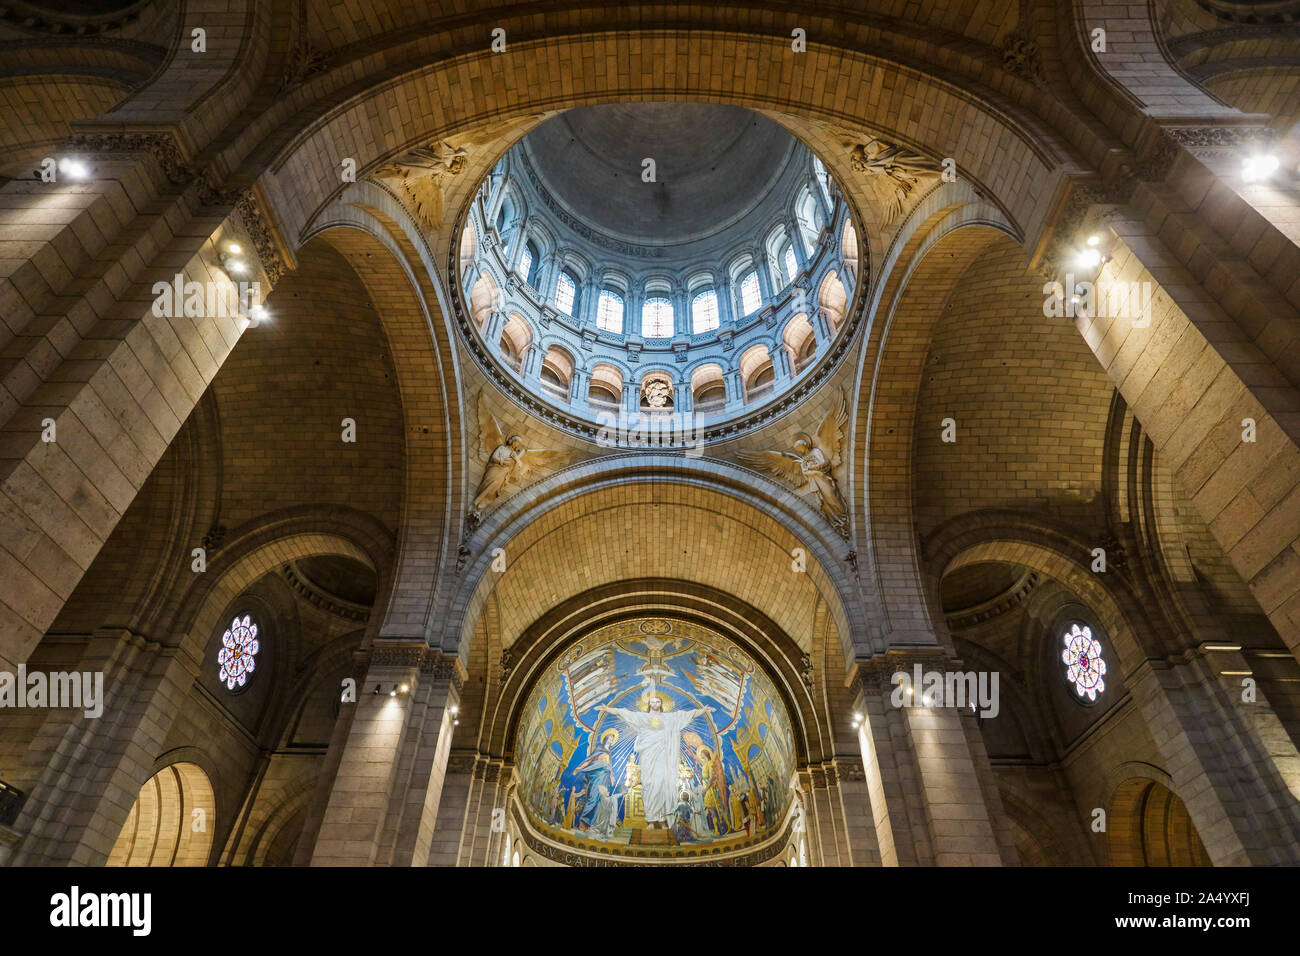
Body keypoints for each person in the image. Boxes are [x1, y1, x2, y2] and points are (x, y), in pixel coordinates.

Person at [595, 693, 710, 827]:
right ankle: (651, 820)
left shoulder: (669, 718)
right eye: (652, 702)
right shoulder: (642, 717)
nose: (655, 704)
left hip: (663, 756)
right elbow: (625, 713)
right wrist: (607, 709)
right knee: (649, 785)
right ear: (649, 704)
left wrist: (703, 710)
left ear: (661, 704)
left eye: (658, 702)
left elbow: (685, 715)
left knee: (662, 784)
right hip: (648, 756)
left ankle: (662, 820)